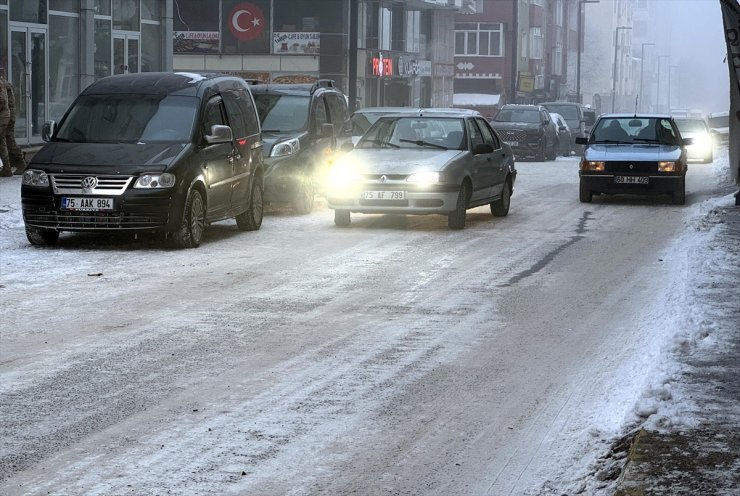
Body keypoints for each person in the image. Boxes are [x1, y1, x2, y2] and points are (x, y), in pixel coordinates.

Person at [0, 76, 26, 176]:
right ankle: (9, 166)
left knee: (8, 140)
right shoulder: (4, 82)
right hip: (8, 115)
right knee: (5, 140)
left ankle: (19, 164)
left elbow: (2, 101)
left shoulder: (2, 83)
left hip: (6, 116)